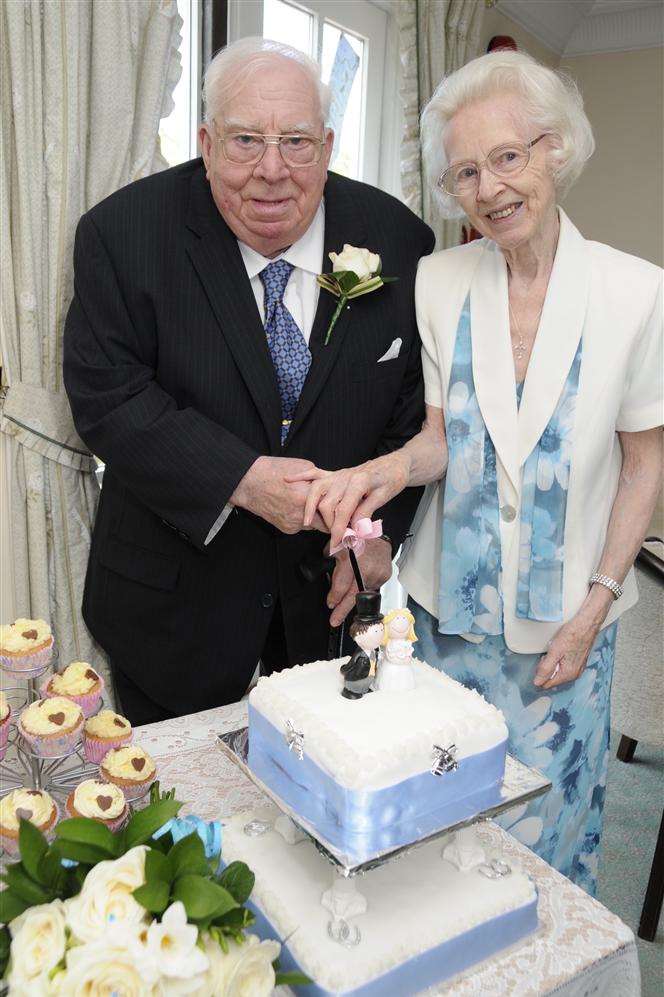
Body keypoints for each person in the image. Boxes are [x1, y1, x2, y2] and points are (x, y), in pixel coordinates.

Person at [290, 51, 663, 894]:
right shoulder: (439, 281)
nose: (491, 188)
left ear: (555, 151)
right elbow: (439, 440)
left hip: (567, 621)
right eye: (466, 171)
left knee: (546, 834)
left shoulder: (636, 294)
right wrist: (375, 473)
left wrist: (599, 601)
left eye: (508, 157)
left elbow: (646, 466)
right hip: (442, 615)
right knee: (442, 821)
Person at [63, 38, 434, 725]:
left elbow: (412, 414)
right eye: (244, 141)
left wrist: (380, 536)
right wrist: (240, 478)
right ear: (205, 141)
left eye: (295, 141)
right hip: (171, 612)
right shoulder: (121, 235)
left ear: (326, 145)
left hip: (328, 607)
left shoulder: (400, 240)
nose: (272, 171)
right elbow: (108, 398)